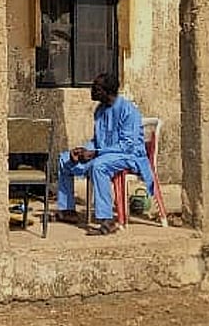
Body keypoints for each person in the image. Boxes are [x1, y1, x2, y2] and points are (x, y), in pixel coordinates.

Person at [54, 72, 153, 235]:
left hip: (129, 156)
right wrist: (82, 150)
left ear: (107, 92)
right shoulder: (100, 110)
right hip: (105, 153)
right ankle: (67, 210)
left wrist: (95, 153)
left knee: (99, 166)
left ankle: (107, 221)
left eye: (96, 88)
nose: (92, 91)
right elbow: (97, 140)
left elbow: (127, 145)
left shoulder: (128, 111)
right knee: (65, 159)